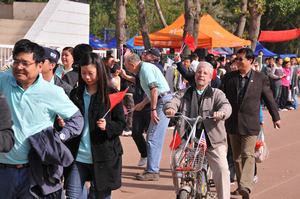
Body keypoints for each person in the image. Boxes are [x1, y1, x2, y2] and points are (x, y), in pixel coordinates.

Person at [0, 40, 84, 198]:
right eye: (16, 61)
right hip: (3, 173)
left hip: (36, 174)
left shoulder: (52, 92)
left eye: (25, 63)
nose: (18, 67)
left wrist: (59, 137)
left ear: (39, 66)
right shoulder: (3, 81)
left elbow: (77, 119)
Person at [164, 61, 232, 199]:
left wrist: (222, 113)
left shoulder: (216, 94)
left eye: (205, 73)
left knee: (223, 170)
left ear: (210, 77)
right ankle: (179, 193)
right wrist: (170, 108)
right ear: (195, 75)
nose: (201, 75)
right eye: (199, 72)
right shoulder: (184, 93)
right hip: (189, 140)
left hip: (213, 141)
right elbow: (173, 101)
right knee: (176, 162)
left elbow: (226, 106)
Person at [64, 52, 126, 199]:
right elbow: (69, 120)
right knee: (72, 195)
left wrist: (108, 126)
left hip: (104, 155)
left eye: (90, 73)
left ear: (99, 71)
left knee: (101, 195)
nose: (87, 77)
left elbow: (121, 124)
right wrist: (62, 123)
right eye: (83, 73)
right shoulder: (76, 94)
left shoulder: (110, 94)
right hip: (78, 155)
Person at [221, 48, 280, 199]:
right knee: (236, 157)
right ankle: (242, 186)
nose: (237, 62)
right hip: (232, 123)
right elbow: (220, 97)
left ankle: (246, 186)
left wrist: (275, 117)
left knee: (247, 153)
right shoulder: (228, 78)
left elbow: (269, 97)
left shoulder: (261, 78)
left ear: (251, 61)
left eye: (241, 59)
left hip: (250, 123)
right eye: (236, 59)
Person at [124, 53, 172, 181]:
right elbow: (153, 91)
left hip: (162, 101)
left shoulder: (145, 69)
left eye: (126, 64)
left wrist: (153, 109)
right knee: (153, 136)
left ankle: (153, 170)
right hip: (162, 100)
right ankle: (152, 168)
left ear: (132, 64)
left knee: (153, 137)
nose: (125, 66)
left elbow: (154, 90)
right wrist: (143, 104)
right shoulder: (144, 69)